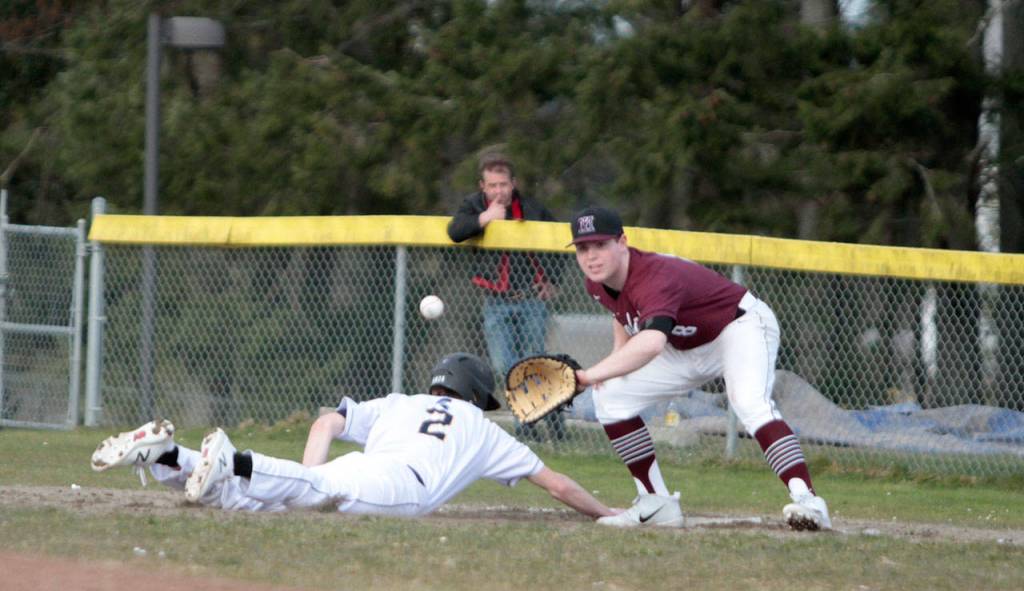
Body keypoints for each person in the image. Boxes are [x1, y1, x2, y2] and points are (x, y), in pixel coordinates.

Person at [89, 352, 669, 523]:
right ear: (473, 395)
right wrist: (608, 511)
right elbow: (559, 484)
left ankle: (170, 456)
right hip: (401, 488)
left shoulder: (401, 401)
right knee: (288, 489)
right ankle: (230, 459)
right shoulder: (481, 427)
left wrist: (310, 471)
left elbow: (326, 421)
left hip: (367, 469)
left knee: (273, 498)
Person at [566, 206, 832, 531]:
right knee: (611, 396)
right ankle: (655, 502)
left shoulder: (653, 275)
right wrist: (614, 362)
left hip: (738, 327)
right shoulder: (596, 283)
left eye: (600, 245)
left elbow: (650, 343)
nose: (591, 256)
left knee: (750, 404)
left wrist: (590, 374)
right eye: (582, 248)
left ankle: (809, 501)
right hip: (684, 345)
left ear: (622, 242)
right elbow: (621, 314)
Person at [447, 152, 565, 441]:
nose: (499, 191)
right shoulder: (474, 206)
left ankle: (528, 425)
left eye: (503, 184)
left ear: (513, 183)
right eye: (492, 186)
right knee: (504, 365)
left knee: (532, 361)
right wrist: (485, 218)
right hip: (496, 302)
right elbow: (455, 232)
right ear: (483, 187)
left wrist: (553, 282)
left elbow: (560, 243)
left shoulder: (533, 209)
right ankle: (542, 412)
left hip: (531, 300)